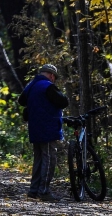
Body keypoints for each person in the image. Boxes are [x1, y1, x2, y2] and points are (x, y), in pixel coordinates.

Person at [17, 63, 69, 202]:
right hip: (48, 128)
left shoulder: (31, 85)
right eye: (54, 77)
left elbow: (21, 101)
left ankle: (34, 191)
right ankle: (44, 191)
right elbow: (63, 101)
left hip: (35, 128)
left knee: (39, 160)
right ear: (52, 75)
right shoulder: (48, 86)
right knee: (49, 159)